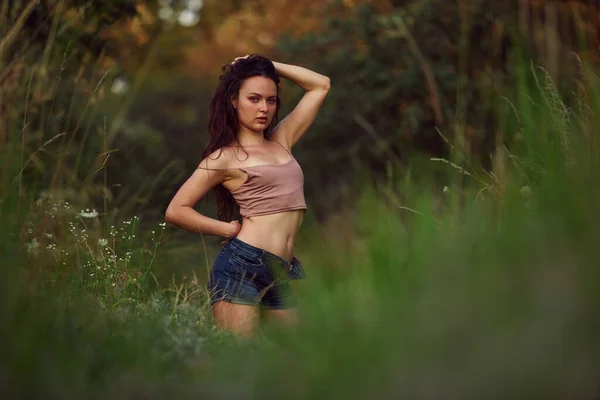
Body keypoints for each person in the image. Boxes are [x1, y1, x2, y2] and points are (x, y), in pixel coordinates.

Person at [165, 54, 330, 337]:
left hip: (280, 270)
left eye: (271, 100)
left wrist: (267, 65)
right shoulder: (224, 157)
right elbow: (177, 209)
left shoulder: (282, 141)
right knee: (240, 365)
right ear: (234, 101)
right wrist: (225, 228)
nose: (264, 108)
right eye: (253, 99)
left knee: (301, 359)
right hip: (241, 266)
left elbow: (321, 85)